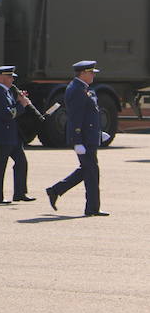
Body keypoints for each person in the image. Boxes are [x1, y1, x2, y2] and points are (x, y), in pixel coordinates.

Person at [46, 61, 109, 216]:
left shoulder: (84, 88)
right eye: (91, 72)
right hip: (84, 139)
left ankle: (56, 190)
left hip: (90, 137)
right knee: (91, 171)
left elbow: (90, 115)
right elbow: (75, 117)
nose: (94, 75)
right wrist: (77, 141)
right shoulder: (75, 90)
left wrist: (98, 132)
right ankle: (92, 208)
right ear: (83, 73)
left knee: (88, 170)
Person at [0, 65, 35, 204]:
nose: (12, 80)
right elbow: (6, 114)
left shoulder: (7, 92)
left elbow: (11, 109)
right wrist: (22, 105)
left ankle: (20, 193)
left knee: (21, 162)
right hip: (3, 135)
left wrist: (20, 101)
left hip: (12, 135)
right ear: (1, 77)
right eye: (9, 77)